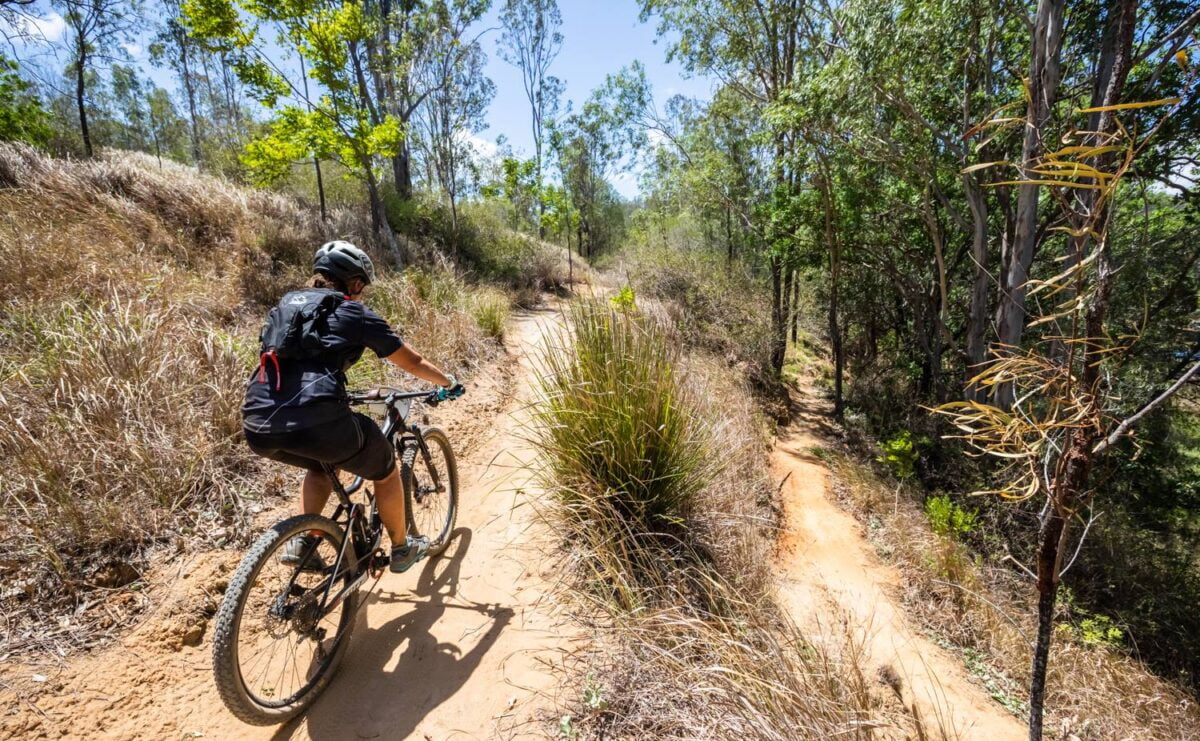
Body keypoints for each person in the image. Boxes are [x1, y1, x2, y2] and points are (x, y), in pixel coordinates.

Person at [242, 240, 464, 573]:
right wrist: (447, 382)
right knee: (386, 470)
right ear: (355, 282)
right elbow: (411, 360)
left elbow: (297, 365)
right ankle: (403, 549)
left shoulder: (287, 306)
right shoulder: (353, 311)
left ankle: (304, 541)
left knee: (320, 466)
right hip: (319, 419)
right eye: (363, 286)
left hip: (258, 422)